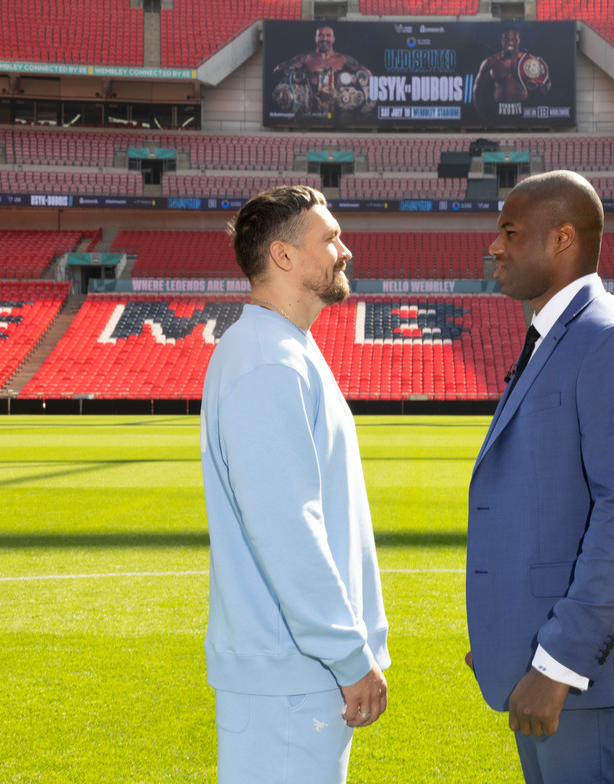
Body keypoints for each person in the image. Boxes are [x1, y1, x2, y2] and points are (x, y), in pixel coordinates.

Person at [465, 170, 614, 783]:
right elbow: (551, 506)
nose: (494, 246)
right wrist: (505, 634)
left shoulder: (611, 339)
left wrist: (560, 664)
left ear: (562, 238)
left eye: (510, 232)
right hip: (545, 659)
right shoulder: (556, 334)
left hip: (583, 675)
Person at [200, 185, 389, 784]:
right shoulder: (268, 361)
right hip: (291, 676)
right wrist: (349, 653)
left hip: (294, 674)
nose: (345, 250)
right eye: (329, 238)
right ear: (283, 256)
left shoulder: (284, 349)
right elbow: (287, 529)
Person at [272, 25, 372, 115]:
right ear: (315, 39)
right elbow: (280, 68)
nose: (324, 38)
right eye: (320, 35)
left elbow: (365, 73)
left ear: (333, 39)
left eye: (328, 35)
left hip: (337, 108)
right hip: (311, 108)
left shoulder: (343, 59)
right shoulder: (306, 58)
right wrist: (283, 72)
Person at [473, 27, 551, 120]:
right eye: (506, 39)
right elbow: (477, 91)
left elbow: (545, 85)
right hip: (498, 110)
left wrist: (544, 86)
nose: (510, 43)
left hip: (523, 109)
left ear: (518, 40)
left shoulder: (529, 61)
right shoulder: (490, 62)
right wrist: (481, 116)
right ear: (502, 41)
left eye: (513, 39)